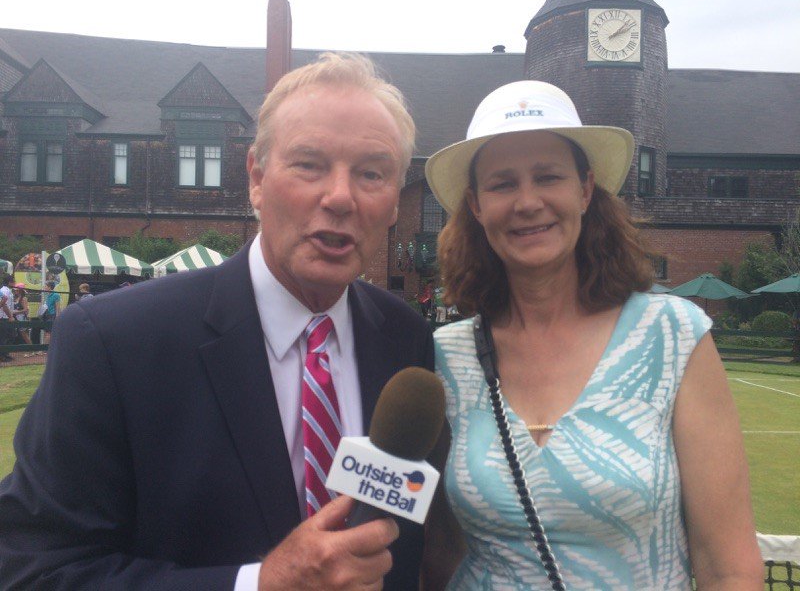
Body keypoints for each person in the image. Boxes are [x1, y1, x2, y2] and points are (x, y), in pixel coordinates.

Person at [0, 53, 434, 590]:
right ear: (255, 178)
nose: (341, 196)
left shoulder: (407, 339)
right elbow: (38, 570)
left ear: (395, 200)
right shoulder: (113, 342)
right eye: (309, 164)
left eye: (372, 172)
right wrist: (258, 584)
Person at [421, 81, 762, 590]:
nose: (527, 201)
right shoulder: (447, 357)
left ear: (584, 190)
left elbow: (729, 566)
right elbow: (439, 551)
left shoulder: (672, 335)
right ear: (475, 205)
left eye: (548, 176)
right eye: (502, 184)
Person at [0, 274, 13, 361]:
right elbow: (4, 302)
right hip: (3, 316)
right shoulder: (5, 290)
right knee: (4, 337)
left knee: (6, 336)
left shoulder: (5, 290)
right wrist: (10, 316)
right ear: (9, 282)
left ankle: (5, 354)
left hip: (6, 315)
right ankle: (3, 355)